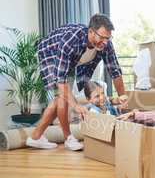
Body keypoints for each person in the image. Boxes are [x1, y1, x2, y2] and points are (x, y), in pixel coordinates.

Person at [26, 14, 127, 151]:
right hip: (50, 52)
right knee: (62, 97)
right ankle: (68, 138)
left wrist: (123, 97)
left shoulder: (105, 44)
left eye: (107, 38)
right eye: (101, 37)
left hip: (74, 59)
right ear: (90, 31)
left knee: (62, 98)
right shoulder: (70, 41)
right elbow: (61, 81)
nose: (104, 42)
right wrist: (76, 106)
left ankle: (36, 136)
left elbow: (115, 72)